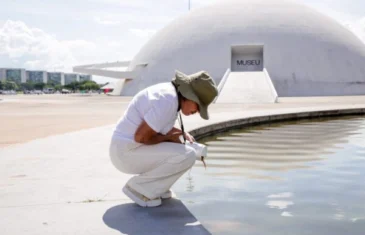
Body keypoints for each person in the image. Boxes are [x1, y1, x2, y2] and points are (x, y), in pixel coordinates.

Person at [109, 70, 218, 207]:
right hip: (126, 153)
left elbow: (155, 126)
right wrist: (169, 138)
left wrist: (179, 134)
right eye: (198, 106)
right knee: (187, 154)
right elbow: (141, 137)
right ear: (190, 96)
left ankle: (156, 187)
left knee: (182, 151)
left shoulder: (170, 95)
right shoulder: (167, 100)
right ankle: (140, 189)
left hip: (126, 149)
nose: (197, 112)